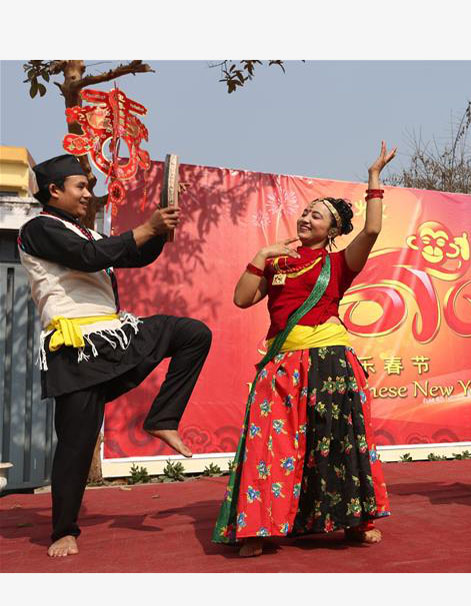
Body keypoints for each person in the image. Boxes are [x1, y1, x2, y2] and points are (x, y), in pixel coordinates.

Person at [17, 154, 212, 557]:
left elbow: (134, 254)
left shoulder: (83, 232)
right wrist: (147, 227)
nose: (89, 194)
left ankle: (162, 418)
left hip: (115, 336)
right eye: (81, 187)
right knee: (77, 442)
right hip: (75, 347)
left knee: (192, 334)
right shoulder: (38, 229)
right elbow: (91, 258)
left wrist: (160, 227)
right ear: (54, 191)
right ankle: (63, 531)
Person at [214, 142, 395, 557]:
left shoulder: (340, 263)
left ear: (332, 231)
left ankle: (353, 521)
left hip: (330, 362)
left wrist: (373, 180)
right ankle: (258, 528)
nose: (306, 217)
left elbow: (371, 230)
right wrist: (260, 256)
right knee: (269, 445)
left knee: (338, 443)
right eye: (306, 211)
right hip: (282, 364)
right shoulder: (277, 262)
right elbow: (242, 300)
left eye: (318, 215)